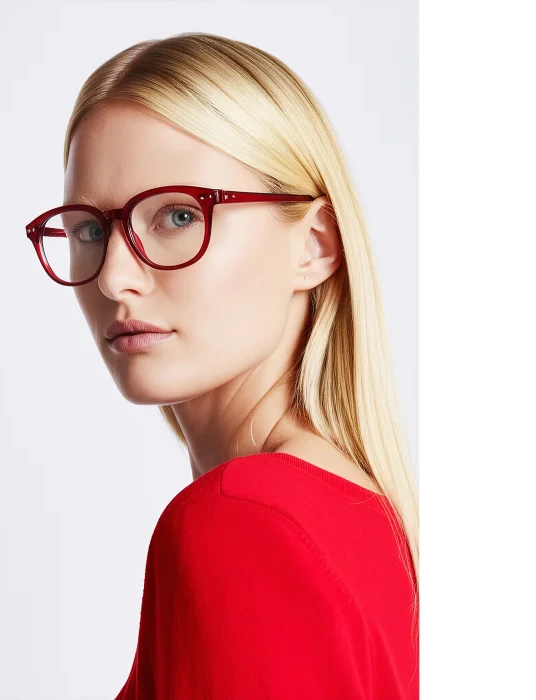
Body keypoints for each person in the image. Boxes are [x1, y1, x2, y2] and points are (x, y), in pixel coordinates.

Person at [26, 31, 419, 699]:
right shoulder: (363, 525)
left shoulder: (244, 525)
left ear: (314, 246)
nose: (115, 277)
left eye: (178, 216)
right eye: (91, 230)